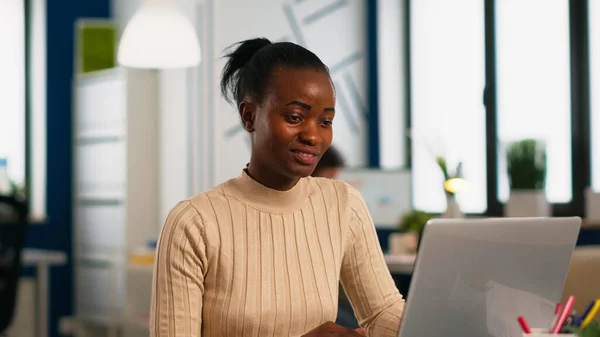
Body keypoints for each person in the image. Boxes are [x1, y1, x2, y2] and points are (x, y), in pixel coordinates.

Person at [150, 37, 405, 337]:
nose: (313, 136)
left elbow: (382, 312)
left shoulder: (343, 204)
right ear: (249, 116)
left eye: (325, 121)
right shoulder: (194, 223)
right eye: (295, 117)